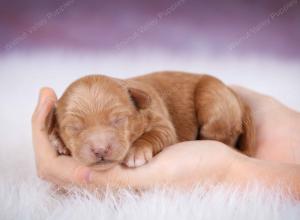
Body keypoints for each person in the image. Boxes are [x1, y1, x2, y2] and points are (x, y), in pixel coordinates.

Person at [31, 86, 300, 198]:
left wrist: (227, 169)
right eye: (74, 128)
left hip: (204, 92)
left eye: (117, 121)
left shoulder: (141, 103)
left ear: (135, 106)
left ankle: (228, 141)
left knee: (218, 111)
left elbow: (164, 130)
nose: (100, 146)